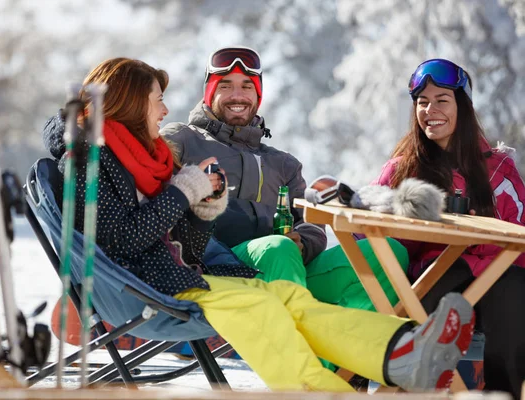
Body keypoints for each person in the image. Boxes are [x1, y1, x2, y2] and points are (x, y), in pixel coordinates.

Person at [42, 57, 474, 393]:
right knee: (263, 304)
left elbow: (178, 247)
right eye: (157, 99)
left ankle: (404, 351)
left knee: (286, 296)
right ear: (133, 102)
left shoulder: (144, 161)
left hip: (177, 276)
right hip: (141, 293)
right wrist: (185, 191)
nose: (165, 109)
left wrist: (201, 211)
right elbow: (127, 239)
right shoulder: (89, 162)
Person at [160, 45, 408, 313]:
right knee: (278, 248)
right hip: (214, 268)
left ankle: (360, 350)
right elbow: (152, 193)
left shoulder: (284, 164)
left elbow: (309, 222)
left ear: (258, 94)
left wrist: (303, 243)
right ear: (209, 93)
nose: (237, 96)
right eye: (225, 86)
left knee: (386, 253)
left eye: (246, 86)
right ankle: (298, 344)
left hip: (286, 266)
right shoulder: (182, 139)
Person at [374, 58, 525, 399]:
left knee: (514, 292)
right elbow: (373, 231)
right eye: (422, 102)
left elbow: (519, 232)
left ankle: (506, 393)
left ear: (464, 107)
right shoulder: (401, 169)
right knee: (438, 278)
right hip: (431, 278)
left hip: (497, 279)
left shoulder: (498, 170)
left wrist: (477, 237)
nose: (430, 110)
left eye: (442, 100)